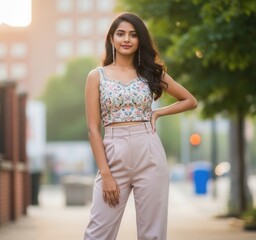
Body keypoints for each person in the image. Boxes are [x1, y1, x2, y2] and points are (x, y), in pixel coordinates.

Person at [84, 12, 198, 240]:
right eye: (121, 34)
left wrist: (158, 113)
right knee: (97, 233)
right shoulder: (96, 76)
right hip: (114, 152)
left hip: (150, 151)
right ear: (112, 39)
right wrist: (106, 173)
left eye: (133, 35)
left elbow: (190, 100)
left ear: (139, 41)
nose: (126, 39)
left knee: (153, 235)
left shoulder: (151, 73)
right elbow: (93, 129)